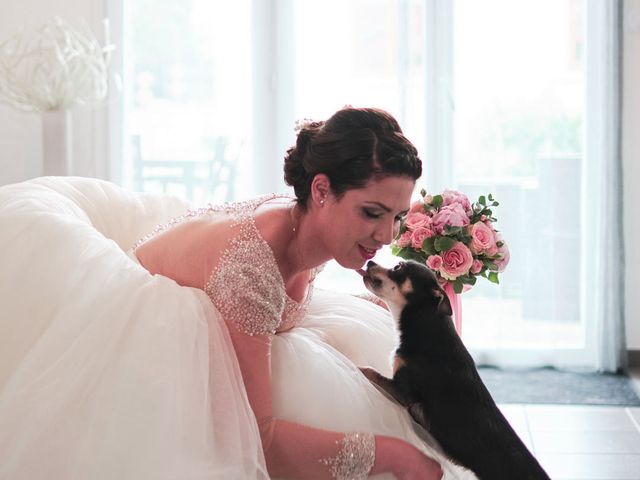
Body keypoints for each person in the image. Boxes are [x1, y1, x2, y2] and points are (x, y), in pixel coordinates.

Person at [0, 107, 475, 479]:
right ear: (322, 190)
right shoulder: (252, 267)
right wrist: (392, 456)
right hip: (156, 339)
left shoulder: (309, 225)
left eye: (395, 216)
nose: (386, 235)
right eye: (372, 213)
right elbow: (258, 439)